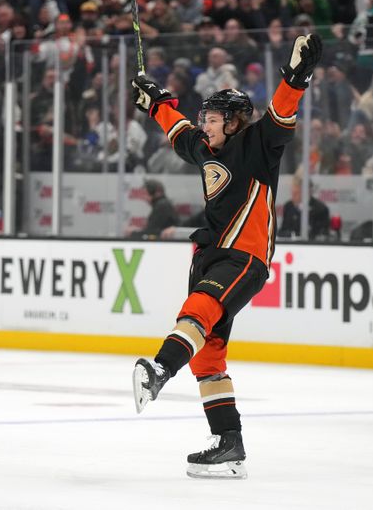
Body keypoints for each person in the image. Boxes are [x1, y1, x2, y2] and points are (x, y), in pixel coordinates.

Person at [130, 34, 323, 478]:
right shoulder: (206, 148)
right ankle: (228, 444)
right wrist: (156, 100)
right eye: (206, 118)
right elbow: (180, 133)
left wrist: (296, 77)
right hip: (214, 254)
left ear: (235, 122)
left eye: (214, 118)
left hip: (245, 256)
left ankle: (160, 368)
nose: (206, 124)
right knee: (208, 355)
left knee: (198, 310)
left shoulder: (258, 144)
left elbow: (281, 111)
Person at [278, 173, 330, 240]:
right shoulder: (288, 206)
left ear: (306, 192)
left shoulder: (320, 209)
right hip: (291, 245)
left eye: (296, 193)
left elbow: (322, 234)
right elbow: (282, 231)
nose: (293, 196)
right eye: (292, 193)